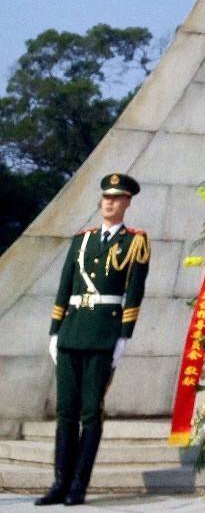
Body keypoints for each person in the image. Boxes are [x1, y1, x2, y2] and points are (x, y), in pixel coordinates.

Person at [36, 173, 149, 506]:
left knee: (90, 413)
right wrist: (55, 331)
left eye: (116, 197)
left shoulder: (135, 242)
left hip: (103, 334)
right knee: (65, 412)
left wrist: (123, 338)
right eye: (105, 197)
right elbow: (65, 285)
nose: (109, 202)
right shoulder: (82, 240)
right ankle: (59, 483)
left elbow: (135, 293)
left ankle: (78, 486)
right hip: (72, 331)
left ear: (127, 201)